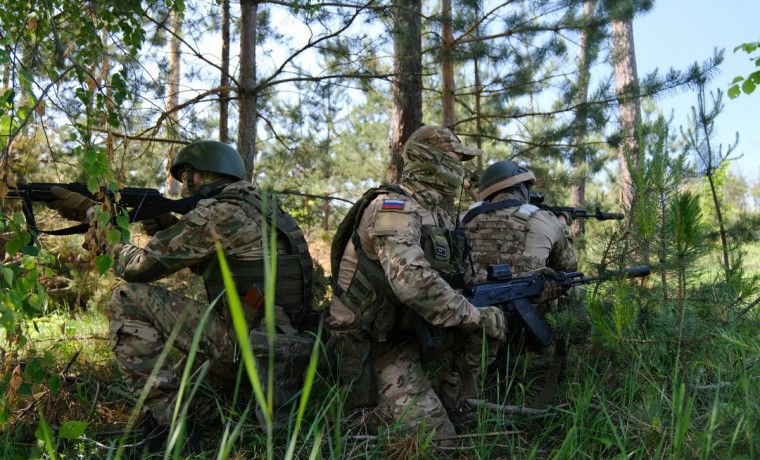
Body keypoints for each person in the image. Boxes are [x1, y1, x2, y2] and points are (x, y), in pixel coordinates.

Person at [47, 140, 315, 451]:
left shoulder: (220, 213)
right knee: (191, 392)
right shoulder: (261, 208)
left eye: (185, 177)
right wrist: (169, 226)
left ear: (194, 176)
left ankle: (169, 432)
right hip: (283, 348)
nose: (184, 186)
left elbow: (137, 267)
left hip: (250, 348)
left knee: (127, 297)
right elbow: (220, 264)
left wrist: (93, 215)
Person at [327, 125, 512, 439]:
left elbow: (458, 276)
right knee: (438, 444)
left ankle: (458, 404)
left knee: (489, 327)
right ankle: (375, 413)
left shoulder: (438, 215)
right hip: (371, 342)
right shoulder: (392, 208)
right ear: (432, 159)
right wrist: (476, 316)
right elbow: (413, 283)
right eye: (457, 157)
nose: (463, 167)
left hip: (407, 327)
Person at [460, 159, 578, 403]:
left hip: (470, 325)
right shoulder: (544, 219)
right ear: (521, 187)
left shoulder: (462, 219)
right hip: (525, 330)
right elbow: (567, 267)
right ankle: (547, 370)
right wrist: (562, 228)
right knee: (571, 288)